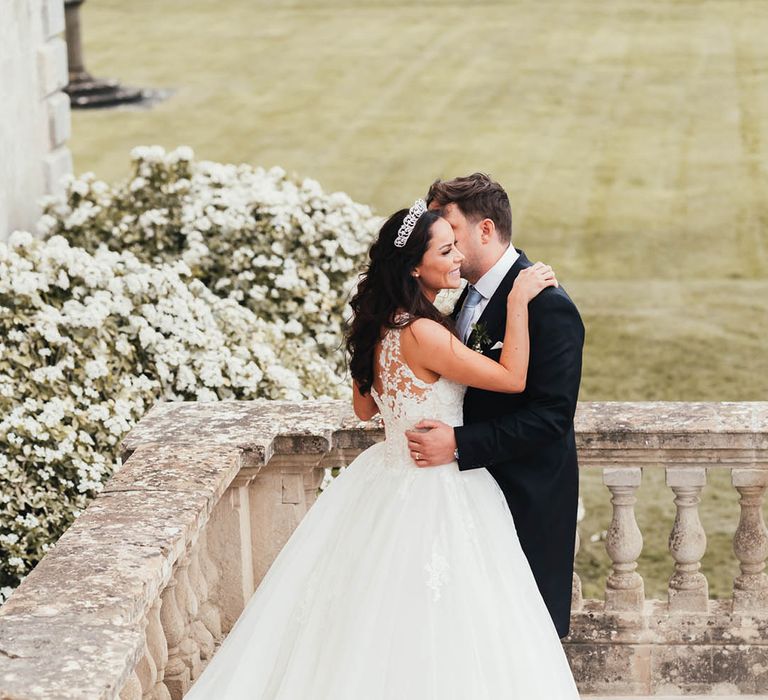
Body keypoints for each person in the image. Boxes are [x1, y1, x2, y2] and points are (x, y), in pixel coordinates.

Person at [184, 198, 581, 699]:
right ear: (416, 266)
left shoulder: (379, 330)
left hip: (385, 477)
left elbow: (365, 411)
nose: (457, 256)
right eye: (445, 249)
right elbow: (512, 377)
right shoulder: (425, 332)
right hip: (437, 486)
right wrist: (519, 301)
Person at [405, 173, 585, 639]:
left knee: (516, 640)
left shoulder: (547, 306)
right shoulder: (463, 296)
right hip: (463, 498)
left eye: (450, 229)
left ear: (485, 230)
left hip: (523, 498)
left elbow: (551, 418)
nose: (443, 241)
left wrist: (459, 444)